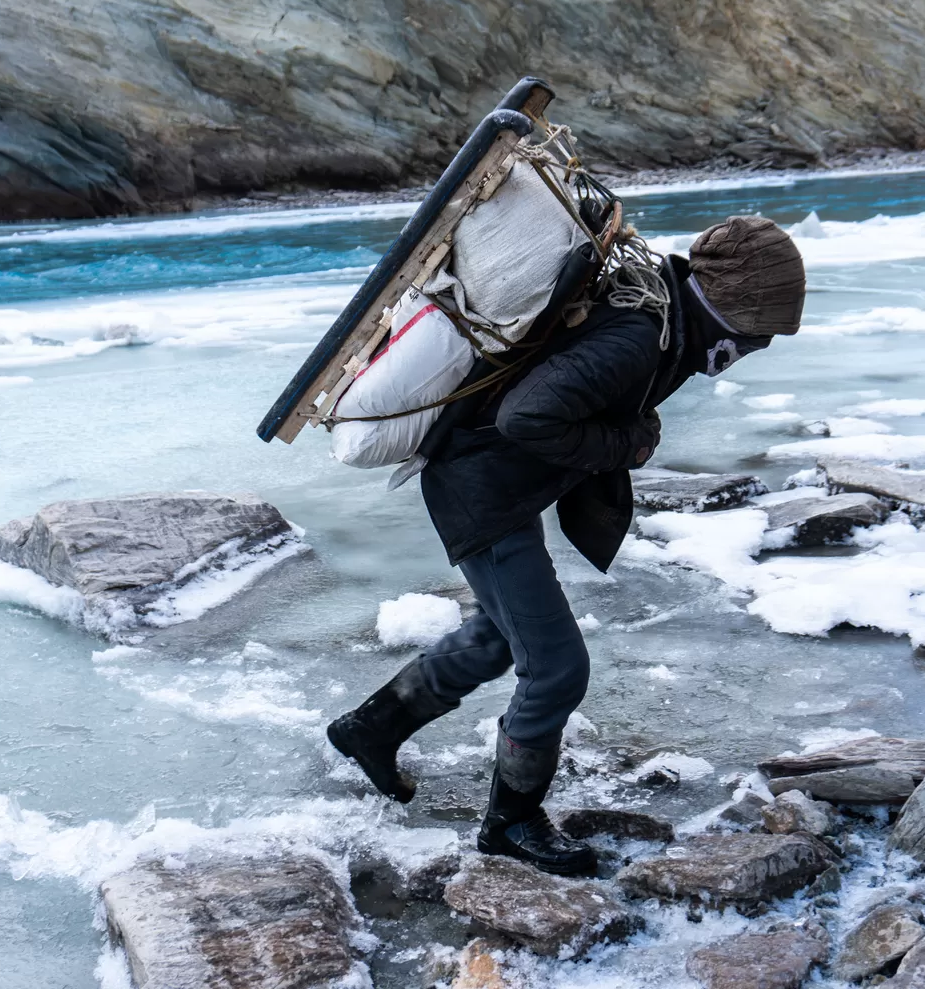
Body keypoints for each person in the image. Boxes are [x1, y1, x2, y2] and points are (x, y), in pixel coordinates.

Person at [327, 215, 805, 876]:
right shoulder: (642, 338)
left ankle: (370, 729)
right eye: (760, 334)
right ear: (733, 312)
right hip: (483, 495)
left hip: (491, 484)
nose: (757, 347)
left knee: (501, 636)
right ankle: (510, 823)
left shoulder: (662, 310)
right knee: (555, 668)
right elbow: (527, 416)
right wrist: (624, 443)